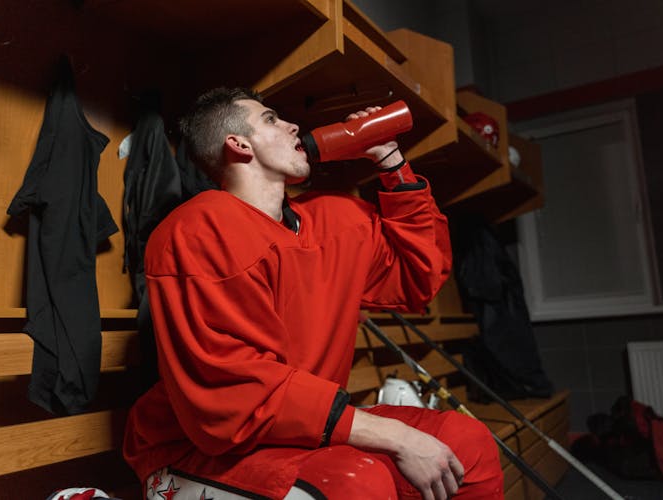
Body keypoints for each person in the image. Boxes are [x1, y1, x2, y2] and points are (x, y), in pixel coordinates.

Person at [123, 87, 504, 500]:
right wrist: (394, 435)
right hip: (197, 448)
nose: (293, 125)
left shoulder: (332, 219)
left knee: (466, 442)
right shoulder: (198, 230)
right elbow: (237, 393)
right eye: (271, 119)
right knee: (355, 482)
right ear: (238, 144)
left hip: (300, 431)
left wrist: (391, 163)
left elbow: (418, 276)